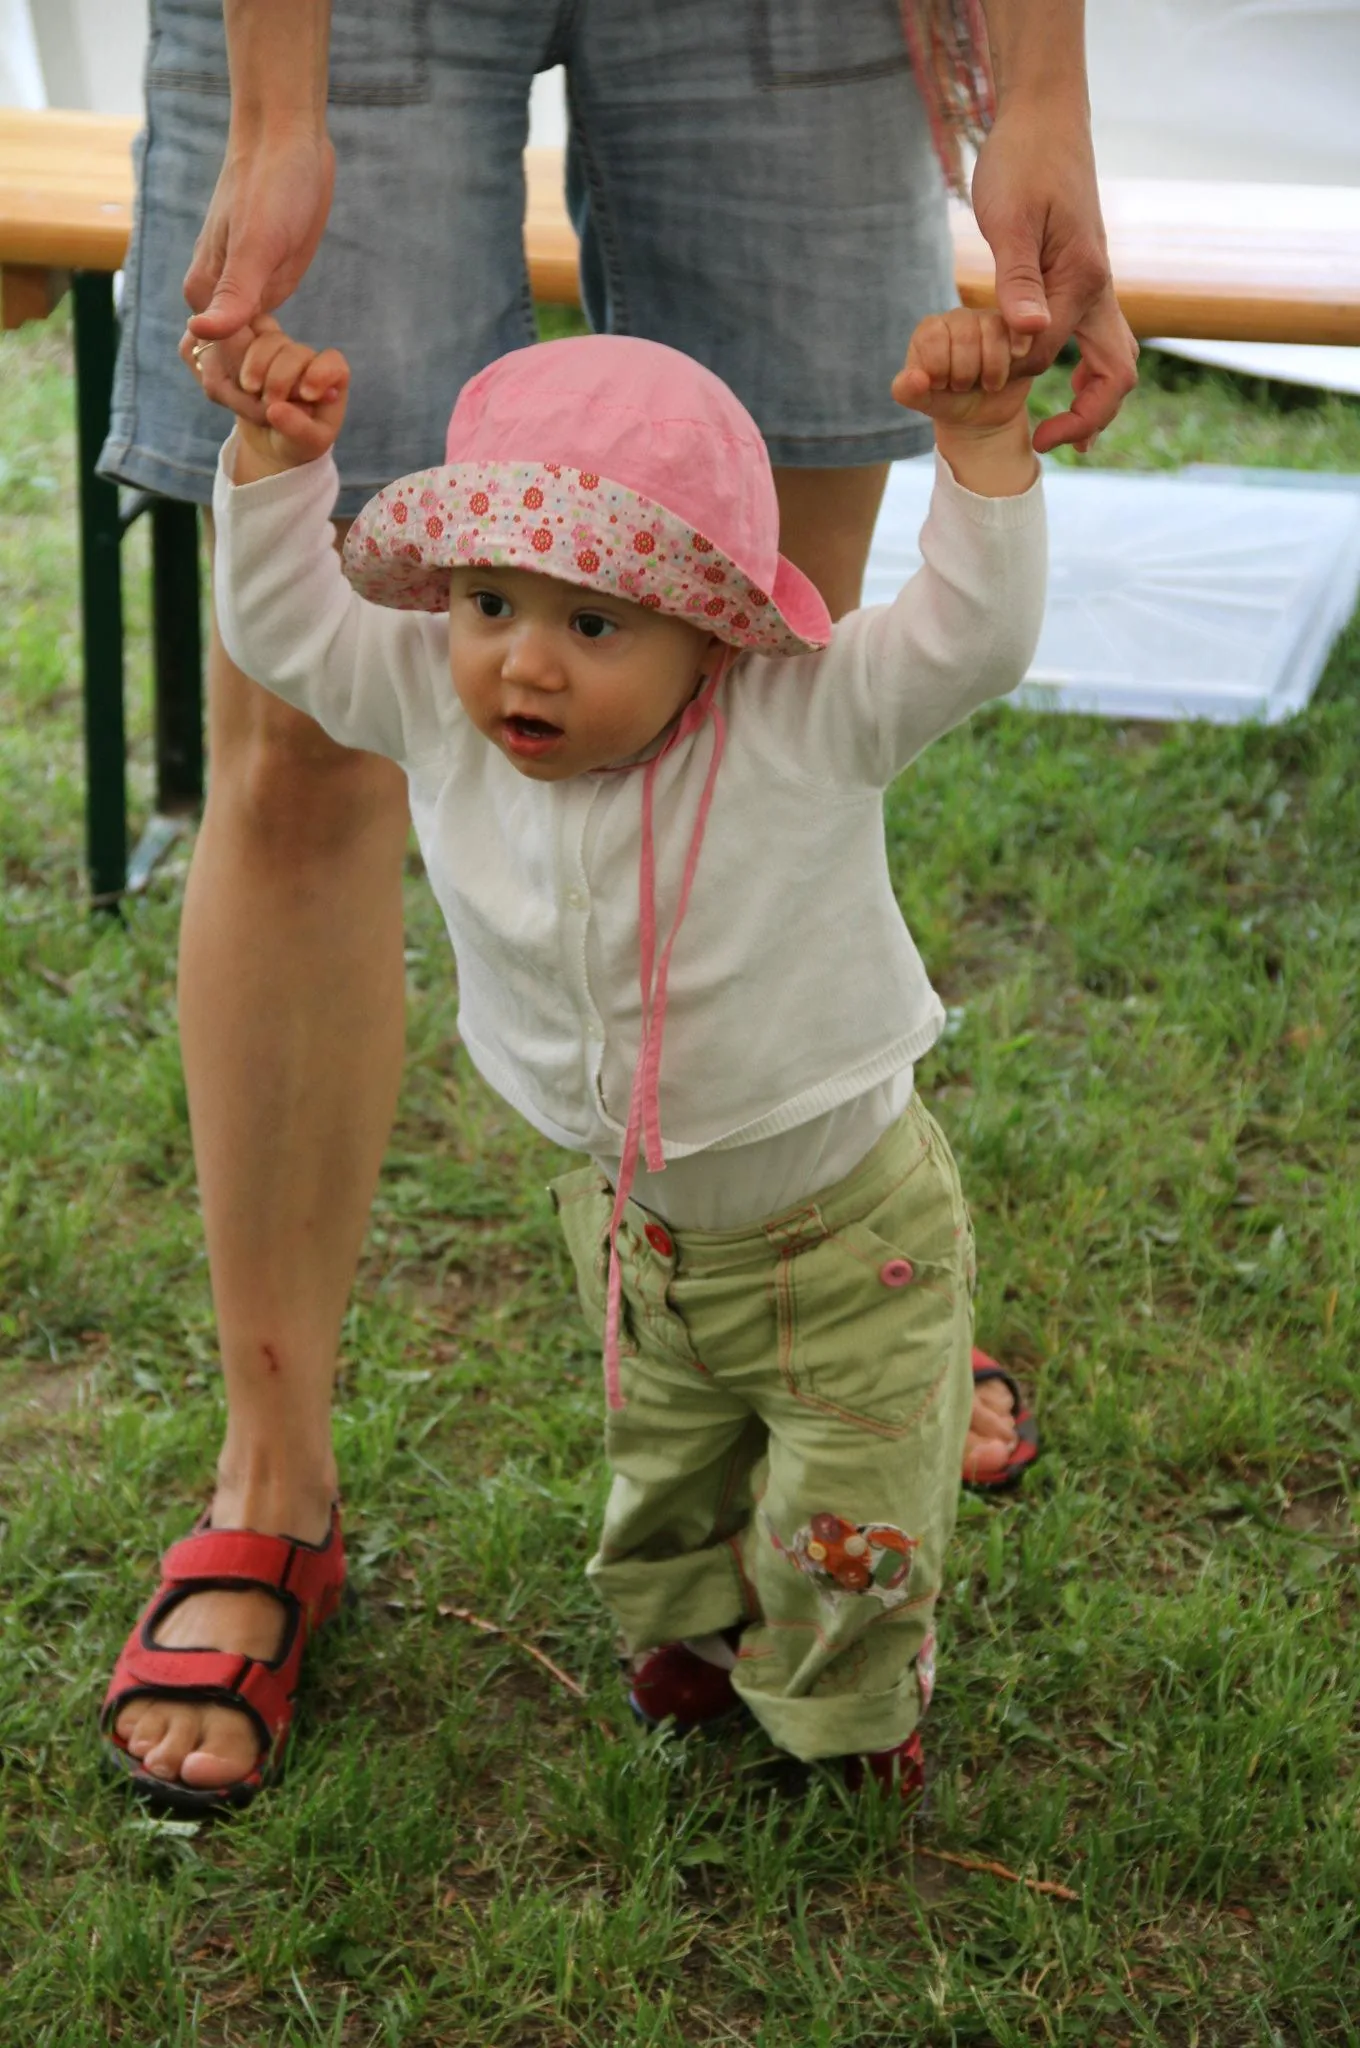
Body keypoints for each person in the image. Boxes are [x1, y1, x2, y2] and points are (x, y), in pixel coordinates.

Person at [97, 0, 1134, 1801]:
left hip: (818, 1181)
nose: (523, 665)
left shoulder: (790, 696)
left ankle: (863, 1456)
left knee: (810, 1478)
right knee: (660, 1453)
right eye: (490, 604)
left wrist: (1031, 140)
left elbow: (956, 639)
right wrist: (279, 468)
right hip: (640, 1211)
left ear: (705, 632)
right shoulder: (440, 678)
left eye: (598, 620)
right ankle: (322, 1491)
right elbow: (296, 632)